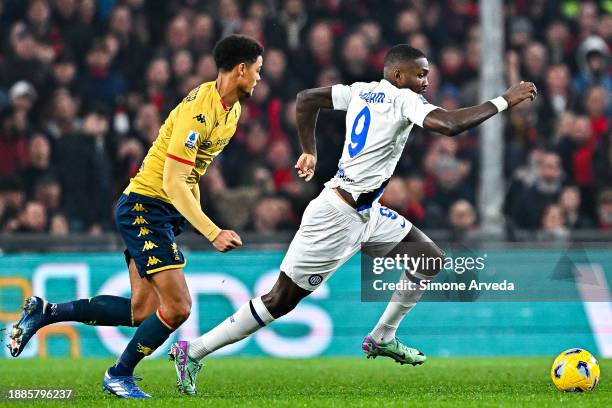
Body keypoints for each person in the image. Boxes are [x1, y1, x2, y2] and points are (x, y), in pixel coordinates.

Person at [169, 44, 537, 395]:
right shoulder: (403, 98)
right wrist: (506, 99)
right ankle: (195, 351)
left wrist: (309, 150)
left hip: (366, 211)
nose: (426, 82)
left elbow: (306, 99)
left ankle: (382, 337)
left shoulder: (362, 91)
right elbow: (450, 125)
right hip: (335, 216)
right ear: (398, 74)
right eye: (420, 75)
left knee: (428, 259)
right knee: (279, 301)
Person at [8, 34, 264, 398]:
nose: (258, 78)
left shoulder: (231, 112)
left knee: (142, 311)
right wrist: (211, 231)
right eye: (257, 70)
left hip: (162, 212)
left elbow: (192, 176)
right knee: (177, 307)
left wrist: (189, 218)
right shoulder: (199, 112)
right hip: (145, 206)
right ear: (241, 69)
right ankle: (118, 374)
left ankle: (46, 312)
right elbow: (174, 182)